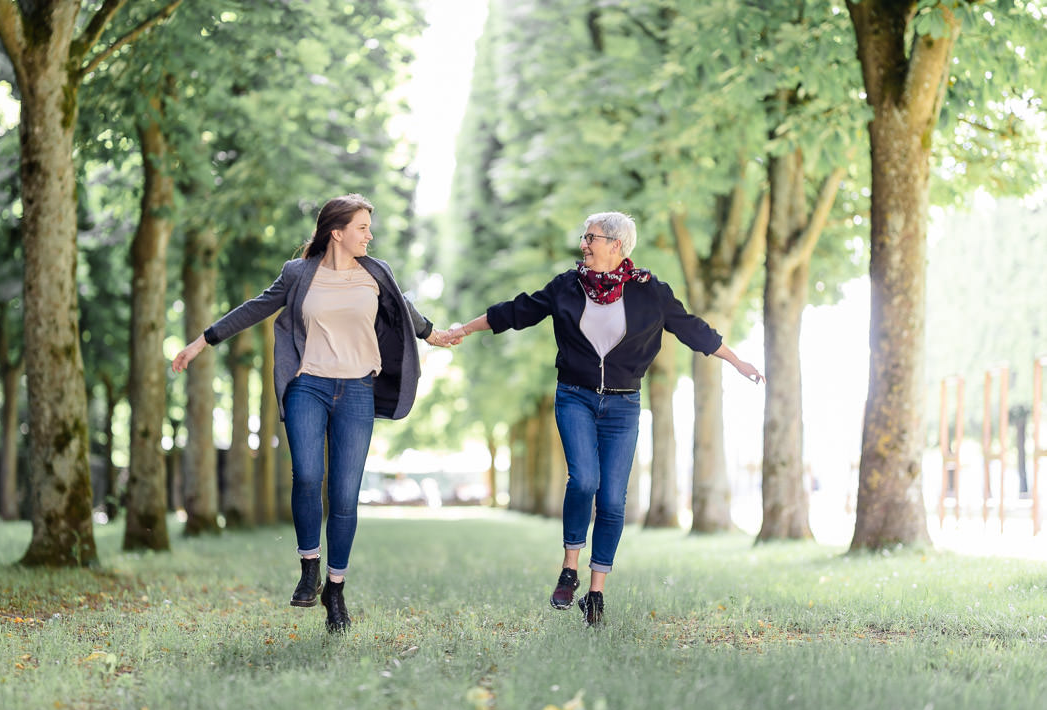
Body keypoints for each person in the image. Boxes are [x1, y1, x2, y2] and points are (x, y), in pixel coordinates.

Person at [446, 211, 763, 626]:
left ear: (616, 245)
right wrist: (464, 330)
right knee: (584, 480)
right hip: (575, 397)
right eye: (585, 237)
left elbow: (692, 329)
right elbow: (517, 311)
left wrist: (736, 361)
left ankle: (595, 594)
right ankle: (569, 568)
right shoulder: (567, 286)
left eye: (590, 237)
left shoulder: (650, 291)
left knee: (613, 499)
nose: (583, 244)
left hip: (623, 405)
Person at [172, 193, 454, 633]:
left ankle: (335, 589)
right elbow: (255, 308)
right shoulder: (299, 273)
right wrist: (201, 342)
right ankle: (309, 566)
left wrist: (434, 334)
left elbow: (404, 310)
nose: (369, 235)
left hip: (357, 390)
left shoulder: (376, 273)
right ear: (337, 232)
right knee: (306, 475)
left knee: (344, 495)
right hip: (308, 385)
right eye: (362, 227)